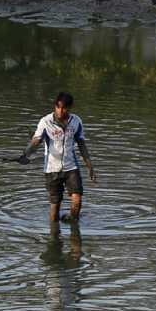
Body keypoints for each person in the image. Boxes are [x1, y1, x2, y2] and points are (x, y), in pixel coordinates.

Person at [20, 91, 95, 225]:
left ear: (70, 108)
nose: (60, 111)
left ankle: (73, 234)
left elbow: (81, 144)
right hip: (52, 169)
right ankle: (54, 238)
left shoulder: (76, 122)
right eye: (58, 107)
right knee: (55, 207)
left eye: (64, 108)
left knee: (77, 202)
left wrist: (90, 167)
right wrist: (26, 154)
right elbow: (36, 140)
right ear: (55, 106)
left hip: (71, 167)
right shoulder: (45, 122)